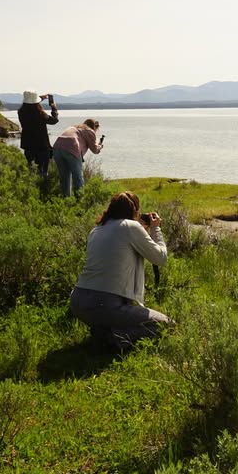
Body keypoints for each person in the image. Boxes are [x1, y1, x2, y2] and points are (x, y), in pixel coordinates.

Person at [70, 191, 170, 351]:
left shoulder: (96, 230)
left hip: (78, 302)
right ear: (134, 211)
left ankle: (103, 330)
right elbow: (160, 258)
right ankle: (111, 338)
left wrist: (142, 231)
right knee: (165, 325)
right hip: (106, 304)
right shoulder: (131, 227)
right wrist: (155, 229)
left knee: (110, 316)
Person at [52, 118, 103, 196]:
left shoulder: (73, 127)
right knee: (78, 177)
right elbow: (95, 150)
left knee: (64, 176)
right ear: (94, 127)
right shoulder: (90, 131)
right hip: (72, 148)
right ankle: (79, 199)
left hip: (57, 148)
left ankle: (65, 199)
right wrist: (100, 146)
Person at [17, 90, 59, 177]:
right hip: (42, 146)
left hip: (28, 145)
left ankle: (32, 188)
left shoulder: (21, 112)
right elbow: (54, 120)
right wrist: (54, 108)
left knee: (31, 170)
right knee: (43, 172)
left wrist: (41, 98)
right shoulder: (40, 114)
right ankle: (43, 187)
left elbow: (30, 102)